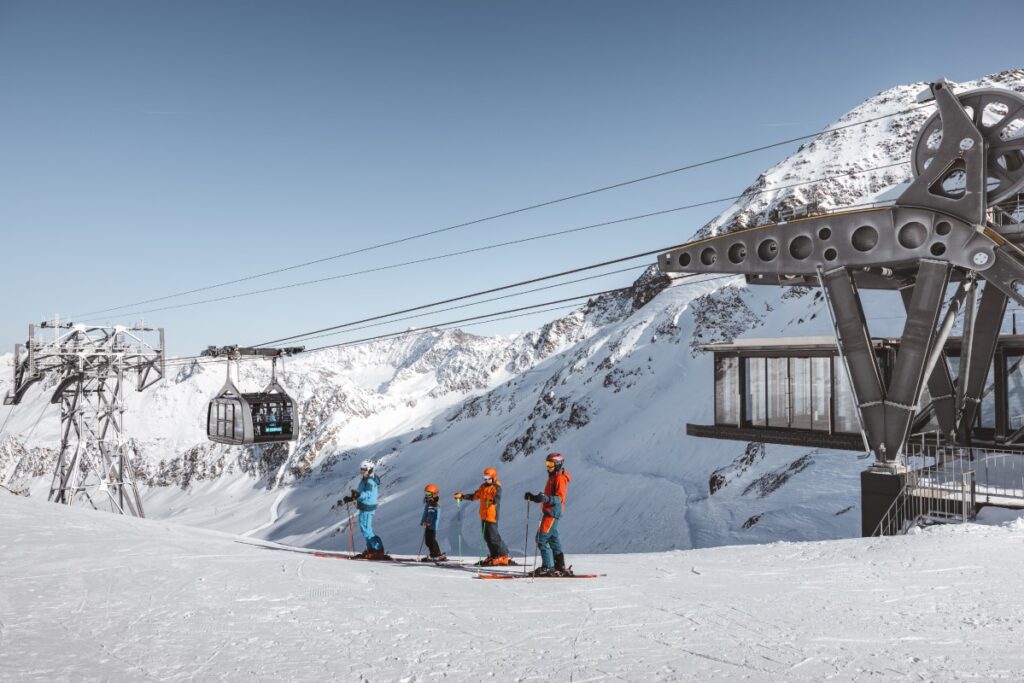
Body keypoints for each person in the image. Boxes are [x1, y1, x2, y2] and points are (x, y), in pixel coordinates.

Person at [524, 452, 572, 576]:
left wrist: (546, 499)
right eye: (547, 464)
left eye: (550, 464)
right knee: (553, 539)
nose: (548, 467)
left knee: (541, 538)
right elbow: (547, 497)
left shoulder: (559, 478)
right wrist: (534, 497)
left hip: (552, 513)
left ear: (557, 464)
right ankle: (560, 566)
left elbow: (559, 498)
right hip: (550, 512)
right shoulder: (553, 477)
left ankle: (548, 567)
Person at [454, 467, 513, 566]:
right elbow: (475, 496)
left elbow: (497, 498)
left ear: (494, 477)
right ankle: (494, 555)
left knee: (494, 537)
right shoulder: (483, 487)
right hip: (483, 516)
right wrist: (463, 496)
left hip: (491, 515)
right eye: (485, 477)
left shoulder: (496, 487)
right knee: (487, 537)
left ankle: (503, 556)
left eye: (488, 478)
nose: (486, 480)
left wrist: (491, 501)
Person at [340, 460, 387, 560]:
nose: (362, 472)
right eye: (361, 470)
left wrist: (358, 495)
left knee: (366, 529)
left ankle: (377, 550)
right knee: (366, 529)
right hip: (365, 506)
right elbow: (361, 493)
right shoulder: (365, 479)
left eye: (364, 469)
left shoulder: (369, 481)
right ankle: (372, 549)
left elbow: (367, 494)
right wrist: (352, 498)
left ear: (369, 469)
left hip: (367, 507)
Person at [420, 484, 446, 562]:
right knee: (429, 540)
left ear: (434, 494)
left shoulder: (433, 503)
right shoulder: (431, 502)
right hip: (430, 524)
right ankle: (434, 554)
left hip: (431, 525)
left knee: (430, 540)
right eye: (426, 493)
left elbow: (431, 514)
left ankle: (436, 554)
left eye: (428, 494)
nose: (426, 495)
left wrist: (427, 522)